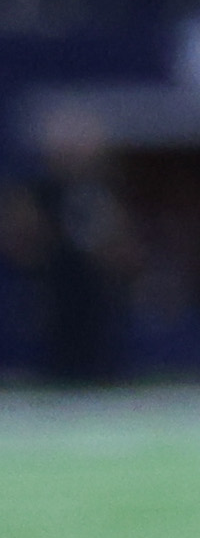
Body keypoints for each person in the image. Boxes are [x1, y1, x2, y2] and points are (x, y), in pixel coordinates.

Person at [0, 104, 134, 387]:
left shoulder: (105, 192)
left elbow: (123, 256)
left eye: (82, 143)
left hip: (98, 315)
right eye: (67, 145)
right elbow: (21, 247)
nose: (74, 152)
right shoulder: (36, 194)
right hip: (56, 314)